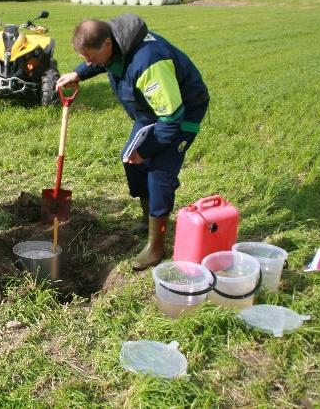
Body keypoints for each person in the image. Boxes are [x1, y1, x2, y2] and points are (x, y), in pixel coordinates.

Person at [56, 14, 209, 270]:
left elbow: (171, 118)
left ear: (107, 45)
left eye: (90, 58)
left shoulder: (150, 63)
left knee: (159, 171)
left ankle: (156, 244)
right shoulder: (115, 43)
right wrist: (79, 73)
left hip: (180, 115)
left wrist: (147, 150)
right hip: (150, 112)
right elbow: (102, 63)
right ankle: (146, 216)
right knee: (131, 160)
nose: (88, 62)